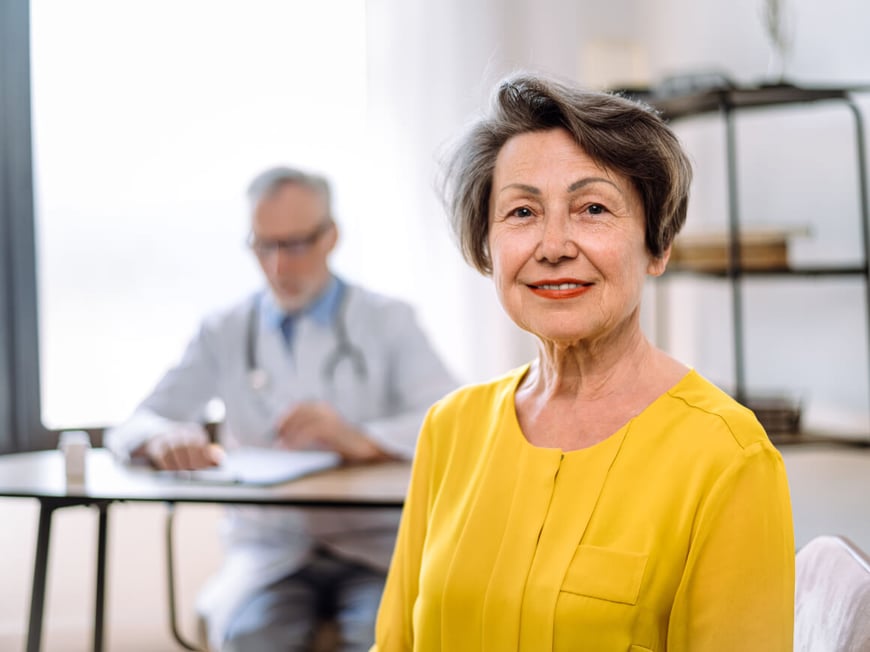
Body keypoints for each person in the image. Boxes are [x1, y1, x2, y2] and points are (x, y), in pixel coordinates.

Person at [372, 73, 795, 651]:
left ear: (657, 244)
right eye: (522, 213)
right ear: (487, 246)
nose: (553, 245)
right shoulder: (450, 428)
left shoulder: (729, 456)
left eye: (592, 207)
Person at [105, 166, 457, 652]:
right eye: (263, 246)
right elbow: (137, 422)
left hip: (375, 549)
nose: (278, 266)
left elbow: (453, 422)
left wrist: (362, 439)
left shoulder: (388, 320)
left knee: (384, 637)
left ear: (331, 236)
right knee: (252, 638)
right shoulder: (225, 329)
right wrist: (160, 437)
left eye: (294, 245)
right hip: (271, 554)